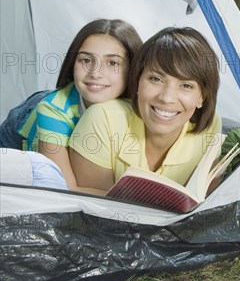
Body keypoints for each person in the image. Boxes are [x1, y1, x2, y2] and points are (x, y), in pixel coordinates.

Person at [69, 27, 222, 195]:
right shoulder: (102, 119)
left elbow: (206, 200)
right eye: (156, 79)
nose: (167, 98)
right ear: (138, 82)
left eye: (186, 85)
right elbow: (94, 212)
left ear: (202, 97)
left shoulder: (211, 126)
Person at [9, 19, 142, 190]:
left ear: (133, 68)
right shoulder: (52, 110)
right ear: (73, 62)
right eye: (86, 60)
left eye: (112, 63)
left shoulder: (143, 106)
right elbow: (65, 190)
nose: (96, 73)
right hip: (24, 124)